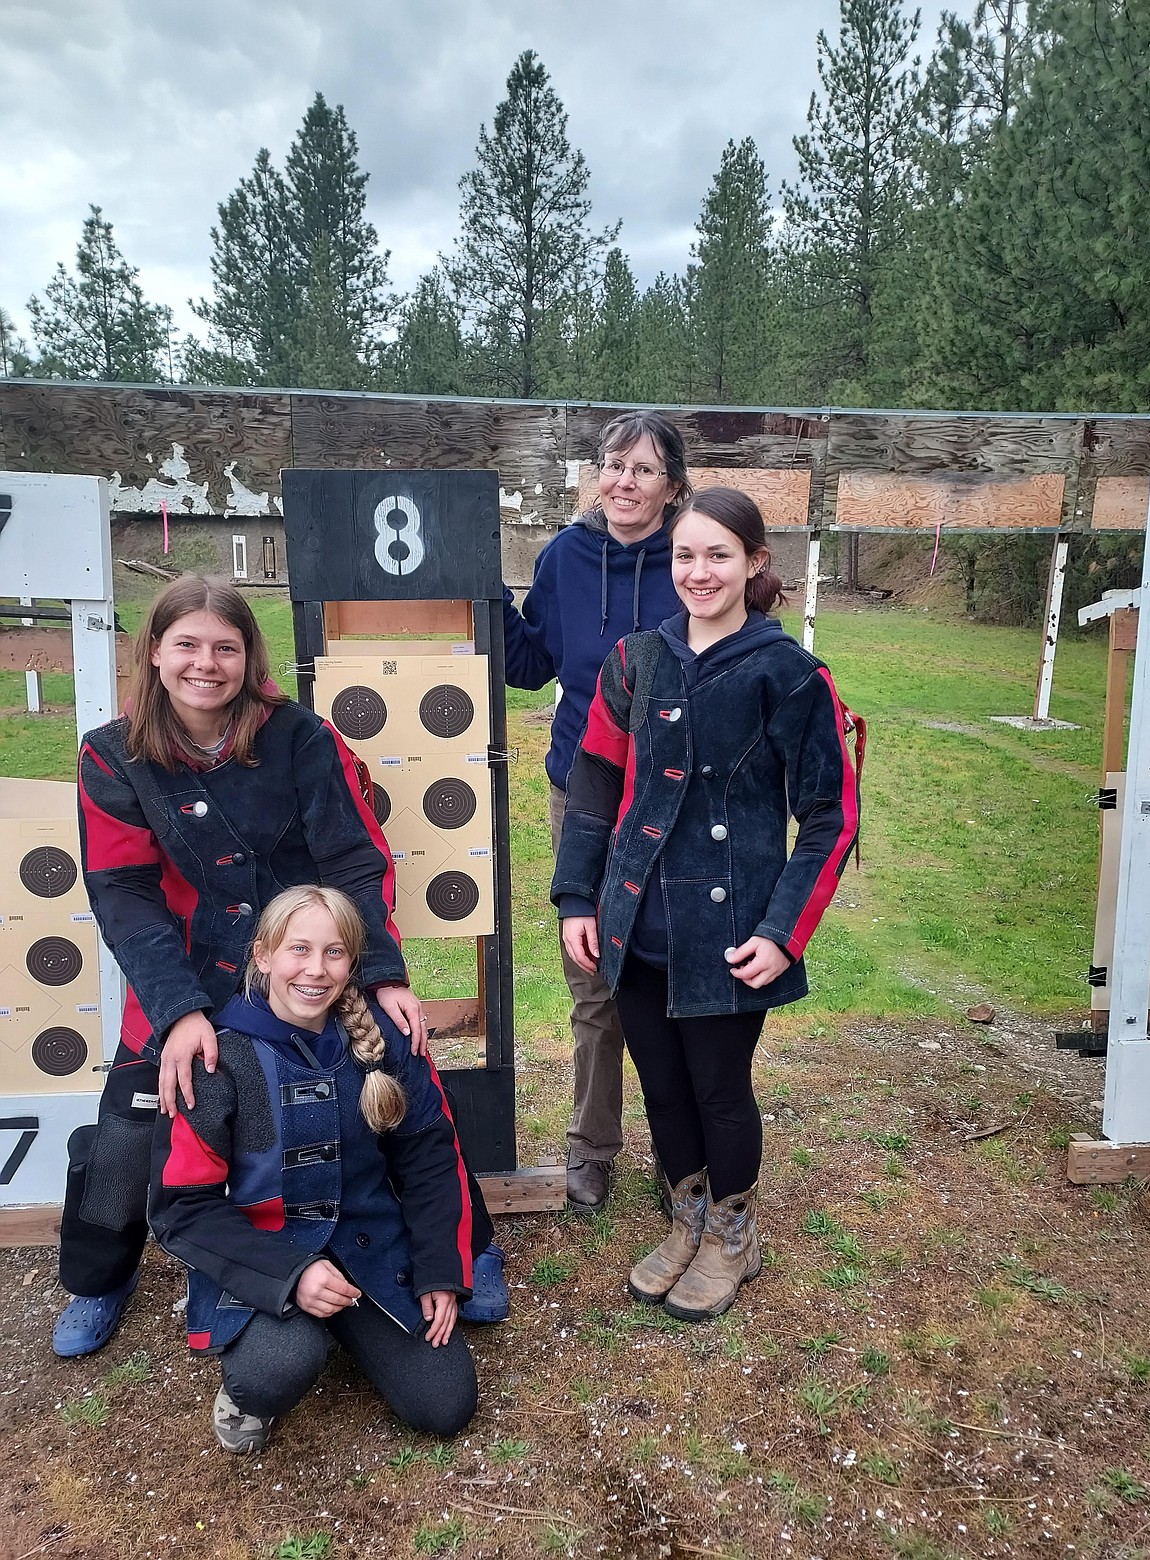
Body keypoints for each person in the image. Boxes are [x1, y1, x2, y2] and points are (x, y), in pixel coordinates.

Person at [54, 575, 503, 1358]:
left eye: (224, 648)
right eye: (186, 645)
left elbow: (355, 860)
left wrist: (383, 975)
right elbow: (123, 892)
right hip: (184, 980)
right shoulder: (111, 755)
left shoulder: (302, 737)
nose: (206, 664)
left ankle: (469, 1249)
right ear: (154, 652)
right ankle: (99, 1279)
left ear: (248, 657)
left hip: (306, 975)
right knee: (127, 1125)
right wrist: (180, 1010)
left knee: (400, 1077)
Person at [552, 487, 861, 1320]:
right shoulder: (635, 662)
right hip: (636, 923)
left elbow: (831, 815)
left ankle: (734, 1232)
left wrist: (783, 933)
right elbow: (593, 784)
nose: (698, 572)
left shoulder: (788, 674)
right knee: (661, 1085)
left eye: (718, 554)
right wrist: (579, 895)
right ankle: (687, 1217)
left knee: (719, 1090)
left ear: (756, 563)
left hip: (731, 933)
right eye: (685, 555)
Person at [149, 885, 478, 1453]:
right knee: (275, 1370)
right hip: (264, 1249)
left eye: (333, 953)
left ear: (352, 962)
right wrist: (291, 1274)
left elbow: (430, 1156)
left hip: (367, 1243)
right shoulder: (218, 1057)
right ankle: (266, 1357)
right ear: (263, 956)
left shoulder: (380, 1041)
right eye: (298, 949)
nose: (315, 970)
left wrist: (438, 1270)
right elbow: (181, 1206)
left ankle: (352, 1323)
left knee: (444, 1403)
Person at [505, 411, 692, 1211]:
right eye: (615, 465)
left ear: (671, 487)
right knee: (594, 979)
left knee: (678, 969)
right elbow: (530, 664)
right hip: (580, 792)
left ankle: (684, 1151)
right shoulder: (564, 558)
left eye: (644, 469)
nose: (625, 481)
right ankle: (590, 1146)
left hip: (678, 792)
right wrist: (483, 590)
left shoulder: (692, 558)